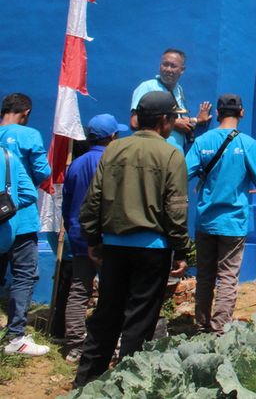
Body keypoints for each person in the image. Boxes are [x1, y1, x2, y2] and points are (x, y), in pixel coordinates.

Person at [73, 92, 190, 387]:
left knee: (105, 315)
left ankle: (85, 383)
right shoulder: (171, 154)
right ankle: (127, 385)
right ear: (165, 121)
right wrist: (182, 250)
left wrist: (92, 238)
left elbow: (93, 200)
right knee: (139, 322)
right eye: (174, 117)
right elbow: (175, 209)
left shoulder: (113, 149)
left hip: (113, 246)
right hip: (152, 250)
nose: (174, 122)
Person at [185, 94, 256, 333]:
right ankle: (220, 326)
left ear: (218, 113)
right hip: (233, 222)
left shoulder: (203, 141)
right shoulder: (248, 144)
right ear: (241, 113)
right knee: (227, 276)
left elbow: (183, 171)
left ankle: (201, 324)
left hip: (205, 221)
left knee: (204, 276)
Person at [60, 114, 129, 362]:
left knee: (79, 291)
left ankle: (75, 345)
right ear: (112, 137)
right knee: (114, 291)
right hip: (109, 237)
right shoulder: (115, 161)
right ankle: (114, 342)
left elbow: (66, 204)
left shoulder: (76, 164)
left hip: (79, 236)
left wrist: (72, 228)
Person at [0, 93, 53, 355]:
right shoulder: (29, 135)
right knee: (23, 276)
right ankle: (15, 337)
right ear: (26, 112)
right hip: (21, 219)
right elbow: (43, 173)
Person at [130, 49, 211, 151]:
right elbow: (134, 122)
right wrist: (174, 124)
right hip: (153, 154)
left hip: (175, 156)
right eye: (165, 64)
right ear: (160, 66)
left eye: (173, 66)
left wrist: (196, 120)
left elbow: (179, 120)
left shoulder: (178, 89)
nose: (168, 69)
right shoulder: (147, 87)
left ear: (182, 70)